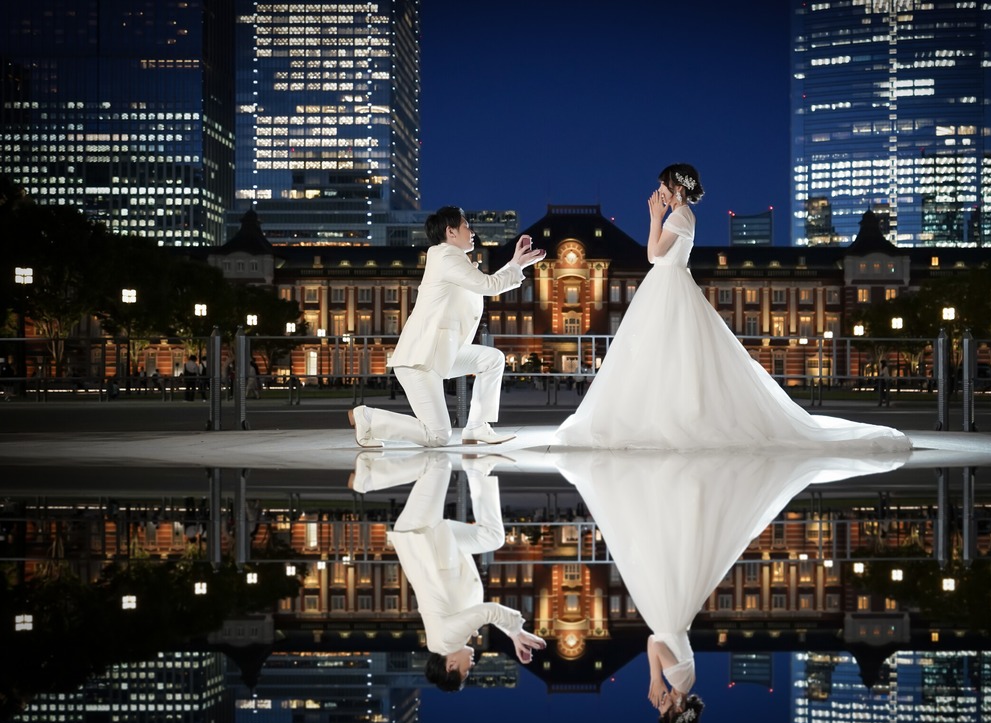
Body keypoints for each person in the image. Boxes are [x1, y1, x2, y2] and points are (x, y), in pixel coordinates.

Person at [555, 163, 909, 452]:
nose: (658, 191)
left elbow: (653, 255)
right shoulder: (684, 216)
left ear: (676, 188)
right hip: (671, 286)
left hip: (667, 286)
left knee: (661, 354)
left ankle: (662, 419)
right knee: (671, 356)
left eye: (662, 185)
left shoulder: (677, 217)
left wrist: (653, 218)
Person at [555, 446, 908, 723]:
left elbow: (657, 642)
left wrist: (657, 676)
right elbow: (655, 642)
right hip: (668, 611)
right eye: (662, 710)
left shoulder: (687, 680)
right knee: (649, 540)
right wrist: (654, 678)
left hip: (671, 610)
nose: (657, 703)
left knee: (657, 543)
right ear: (677, 708)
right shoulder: (680, 681)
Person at [349, 207, 545, 448]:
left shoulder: (453, 260)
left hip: (441, 353)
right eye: (466, 226)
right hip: (419, 361)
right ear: (450, 231)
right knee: (438, 436)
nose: (472, 231)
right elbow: (489, 285)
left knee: (492, 359)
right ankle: (369, 418)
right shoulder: (446, 257)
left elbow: (484, 284)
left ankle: (477, 427)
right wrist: (515, 266)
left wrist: (515, 263)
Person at [350, 450, 546, 691]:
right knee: (492, 537)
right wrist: (514, 634)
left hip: (421, 534)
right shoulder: (451, 639)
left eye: (466, 671)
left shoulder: (445, 641)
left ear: (451, 666)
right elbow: (481, 611)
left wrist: (516, 631)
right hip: (442, 545)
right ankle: (479, 469)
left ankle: (367, 478)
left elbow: (489, 612)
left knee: (439, 462)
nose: (471, 666)